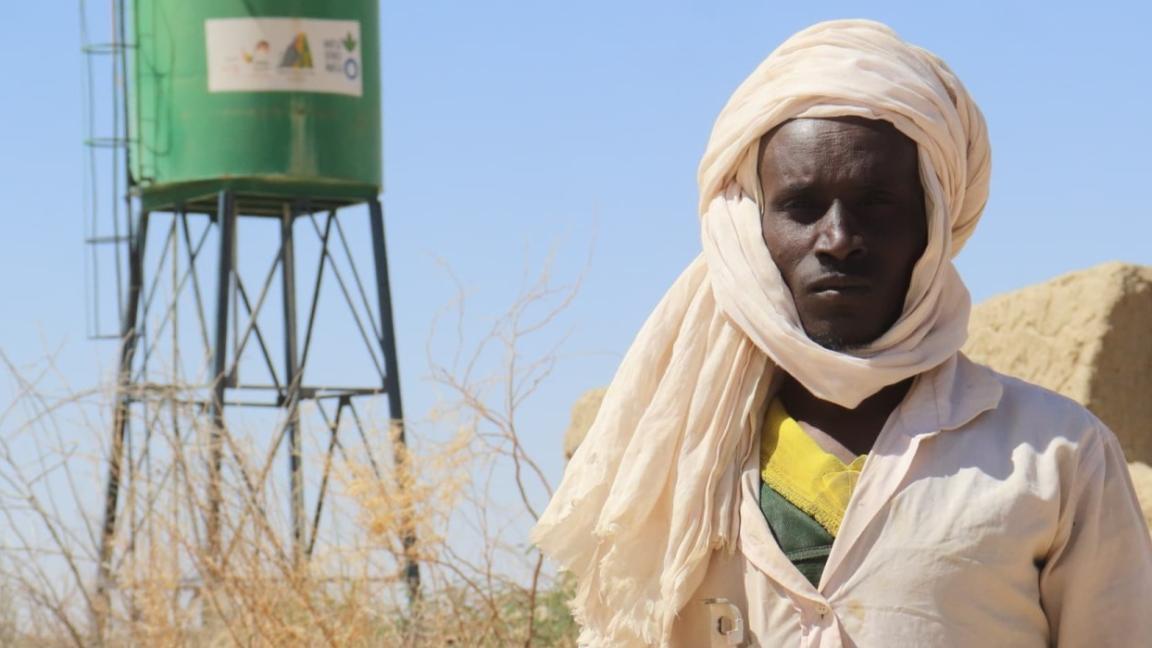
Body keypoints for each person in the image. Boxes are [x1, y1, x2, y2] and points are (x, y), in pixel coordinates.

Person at [532, 19, 1152, 647]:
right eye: (802, 207)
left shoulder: (1057, 456)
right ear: (752, 230)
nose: (838, 240)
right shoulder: (678, 455)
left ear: (931, 224)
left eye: (876, 204)